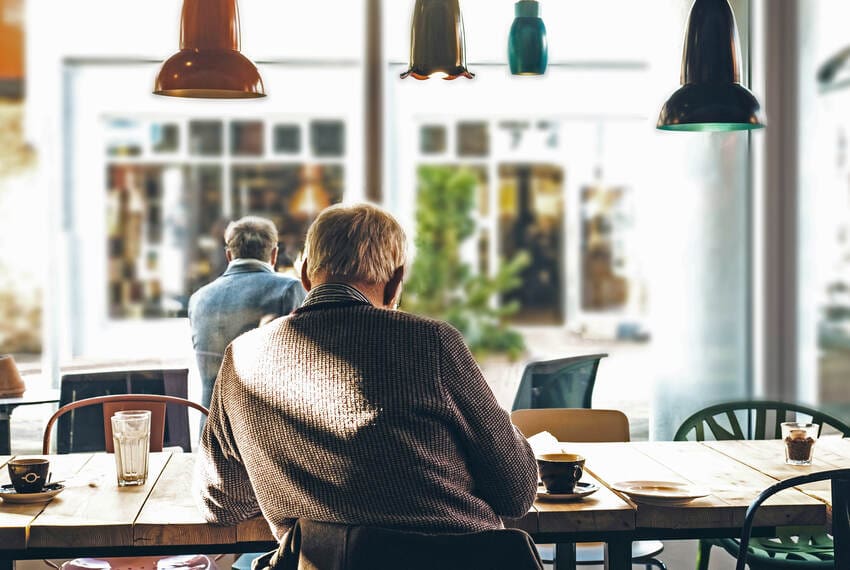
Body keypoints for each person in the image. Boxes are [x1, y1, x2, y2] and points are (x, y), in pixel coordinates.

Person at [194, 203, 538, 539]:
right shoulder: (432, 343)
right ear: (395, 283)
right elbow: (517, 492)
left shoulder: (241, 358)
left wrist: (289, 476)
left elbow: (220, 504)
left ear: (305, 275)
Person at [188, 216, 306, 410]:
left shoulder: (198, 298)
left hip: (210, 426)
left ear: (229, 256)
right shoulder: (289, 289)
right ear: (274, 254)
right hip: (262, 427)